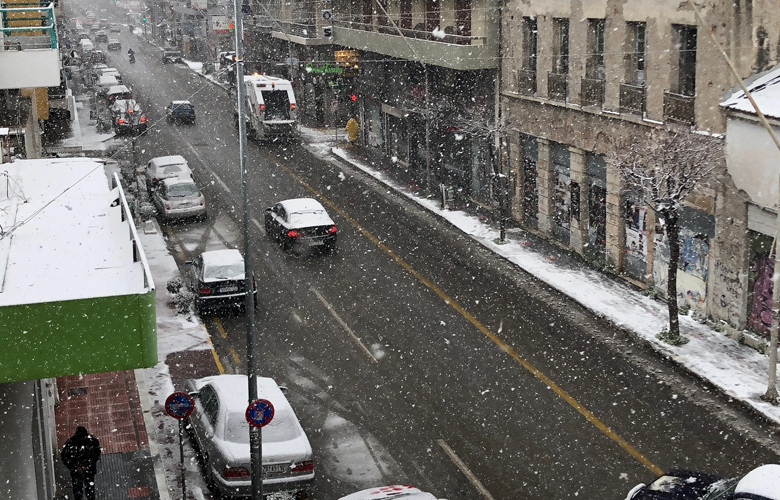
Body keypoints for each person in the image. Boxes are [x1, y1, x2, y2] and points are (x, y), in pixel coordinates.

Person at [61, 426, 101, 500]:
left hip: (77, 472)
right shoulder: (93, 441)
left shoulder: (70, 443)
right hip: (88, 471)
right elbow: (96, 454)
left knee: (78, 490)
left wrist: (75, 467)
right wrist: (88, 465)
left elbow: (64, 457)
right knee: (89, 490)